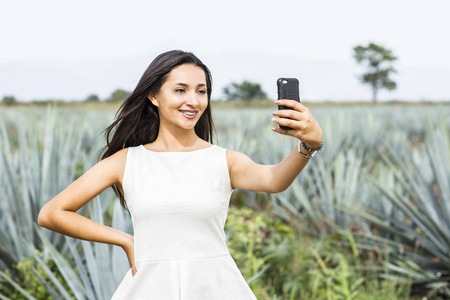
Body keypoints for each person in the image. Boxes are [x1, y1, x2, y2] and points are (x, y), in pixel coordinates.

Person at [38, 50, 323, 299]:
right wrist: (125, 240)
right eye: (180, 90)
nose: (194, 101)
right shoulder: (126, 162)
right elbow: (52, 213)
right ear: (154, 96)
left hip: (218, 289)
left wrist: (309, 144)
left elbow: (274, 180)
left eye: (201, 91)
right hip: (149, 289)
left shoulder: (223, 160)